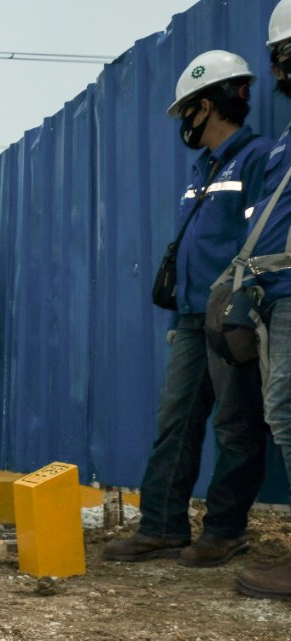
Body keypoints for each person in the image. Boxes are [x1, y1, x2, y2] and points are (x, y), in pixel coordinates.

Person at [104, 51, 271, 569]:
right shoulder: (202, 170)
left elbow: (262, 242)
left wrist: (244, 311)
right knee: (174, 421)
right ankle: (161, 527)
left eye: (187, 112)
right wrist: (181, 317)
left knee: (236, 426)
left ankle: (224, 531)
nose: (184, 124)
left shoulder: (259, 159)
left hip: (235, 316)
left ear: (208, 105)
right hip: (193, 319)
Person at [236, 1, 291, 597]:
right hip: (277, 293)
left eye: (284, 57)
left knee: (287, 412)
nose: (278, 74)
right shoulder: (282, 143)